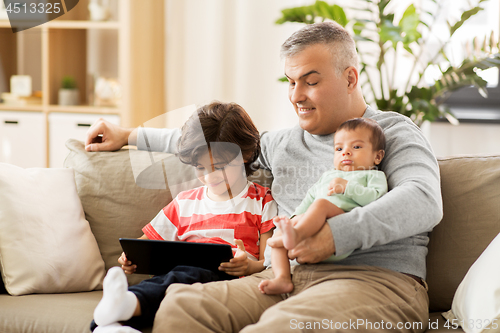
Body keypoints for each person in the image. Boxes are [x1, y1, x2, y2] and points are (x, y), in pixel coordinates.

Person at [86, 21, 442, 333]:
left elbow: (423, 200)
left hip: (372, 281)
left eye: (310, 81)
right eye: (291, 82)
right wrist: (130, 135)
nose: (296, 95)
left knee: (279, 328)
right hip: (282, 277)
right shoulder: (282, 144)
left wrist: (335, 236)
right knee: (182, 306)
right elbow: (216, 146)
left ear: (350, 78)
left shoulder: (392, 132)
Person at [90, 102, 277, 333]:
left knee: (189, 275)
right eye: (201, 168)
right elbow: (144, 244)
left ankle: (127, 305)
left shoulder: (261, 201)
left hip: (224, 284)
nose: (210, 177)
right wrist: (130, 258)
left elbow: (268, 262)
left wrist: (248, 266)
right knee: (159, 287)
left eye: (219, 167)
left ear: (245, 155)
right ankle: (111, 323)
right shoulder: (184, 202)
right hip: (177, 279)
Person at [258, 118, 387, 295]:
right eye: (339, 149)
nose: (346, 153)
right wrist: (294, 219)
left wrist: (348, 188)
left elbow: (376, 199)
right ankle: (282, 278)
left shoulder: (372, 175)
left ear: (377, 156)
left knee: (321, 205)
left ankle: (295, 235)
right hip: (313, 229)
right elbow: (308, 200)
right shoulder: (329, 176)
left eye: (356, 147)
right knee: (280, 233)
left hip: (341, 227)